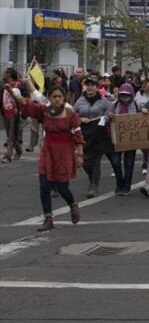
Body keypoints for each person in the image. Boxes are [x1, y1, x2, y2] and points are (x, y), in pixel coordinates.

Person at [13, 84, 83, 231]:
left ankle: (72, 204)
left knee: (62, 188)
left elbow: (78, 135)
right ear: (50, 98)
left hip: (64, 153)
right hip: (48, 152)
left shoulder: (70, 113)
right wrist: (17, 94)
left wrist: (79, 155)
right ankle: (48, 218)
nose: (57, 99)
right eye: (54, 97)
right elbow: (28, 106)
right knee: (44, 187)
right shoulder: (45, 111)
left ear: (64, 98)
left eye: (59, 96)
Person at [74, 75, 114, 198]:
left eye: (93, 85)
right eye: (88, 85)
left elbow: (111, 115)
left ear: (97, 87)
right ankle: (91, 179)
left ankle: (93, 185)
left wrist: (106, 117)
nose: (90, 87)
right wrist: (80, 119)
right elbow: (73, 116)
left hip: (99, 134)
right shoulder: (80, 101)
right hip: (85, 134)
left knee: (95, 161)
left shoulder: (104, 101)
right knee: (85, 161)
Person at [110, 83, 139, 195]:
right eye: (122, 95)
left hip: (132, 139)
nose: (124, 98)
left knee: (129, 163)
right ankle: (119, 183)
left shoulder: (136, 105)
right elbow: (107, 118)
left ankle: (126, 186)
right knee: (116, 162)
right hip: (117, 139)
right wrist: (109, 115)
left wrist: (144, 113)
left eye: (127, 95)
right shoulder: (114, 104)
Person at [2, 68, 23, 163]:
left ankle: (7, 156)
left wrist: (9, 89)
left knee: (11, 135)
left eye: (6, 73)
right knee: (10, 134)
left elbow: (18, 97)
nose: (4, 74)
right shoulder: (3, 84)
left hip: (14, 113)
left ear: (10, 74)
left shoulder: (18, 84)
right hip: (5, 111)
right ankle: (19, 151)